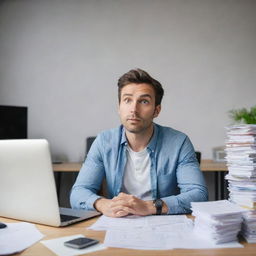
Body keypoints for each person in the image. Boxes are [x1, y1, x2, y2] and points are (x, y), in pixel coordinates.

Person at [70, 68, 208, 217]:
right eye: (127, 100)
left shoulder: (179, 142)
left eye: (144, 101)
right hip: (118, 224)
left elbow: (198, 195)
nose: (133, 110)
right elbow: (78, 193)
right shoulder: (104, 141)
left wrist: (149, 207)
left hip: (164, 225)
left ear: (156, 110)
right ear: (119, 107)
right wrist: (104, 204)